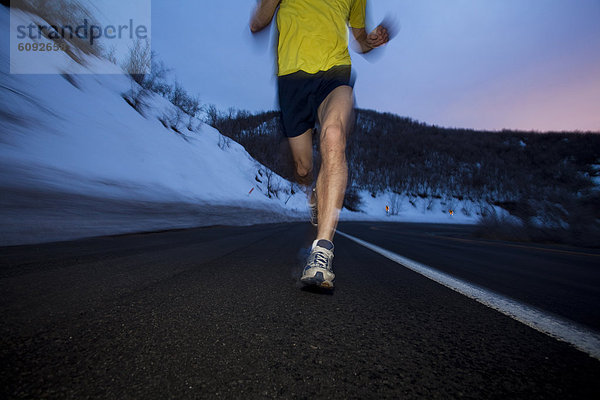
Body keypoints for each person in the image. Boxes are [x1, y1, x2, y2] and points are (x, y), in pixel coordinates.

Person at [250, 0, 390, 289]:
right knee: (303, 168)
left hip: (335, 73)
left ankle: (322, 251)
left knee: (334, 136)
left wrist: (371, 40)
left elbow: (360, 41)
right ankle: (314, 191)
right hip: (292, 78)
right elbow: (257, 23)